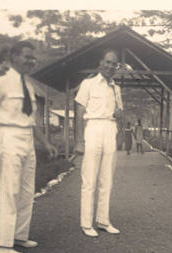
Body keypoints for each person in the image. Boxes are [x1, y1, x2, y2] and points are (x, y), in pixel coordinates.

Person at [0, 41, 58, 253]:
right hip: (8, 137)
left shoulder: (28, 86)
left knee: (26, 190)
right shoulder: (0, 83)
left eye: (33, 58)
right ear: (13, 57)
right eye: (27, 56)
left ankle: (19, 236)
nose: (31, 61)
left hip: (27, 139)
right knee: (9, 190)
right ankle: (1, 245)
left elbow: (32, 120)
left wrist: (46, 143)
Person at [74, 48, 123, 237]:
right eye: (108, 62)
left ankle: (103, 220)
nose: (111, 67)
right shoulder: (88, 84)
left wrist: (119, 117)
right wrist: (79, 141)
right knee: (89, 179)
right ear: (100, 63)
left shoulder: (116, 88)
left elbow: (120, 113)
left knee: (107, 179)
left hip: (110, 130)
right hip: (92, 128)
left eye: (114, 64)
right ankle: (86, 223)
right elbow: (79, 113)